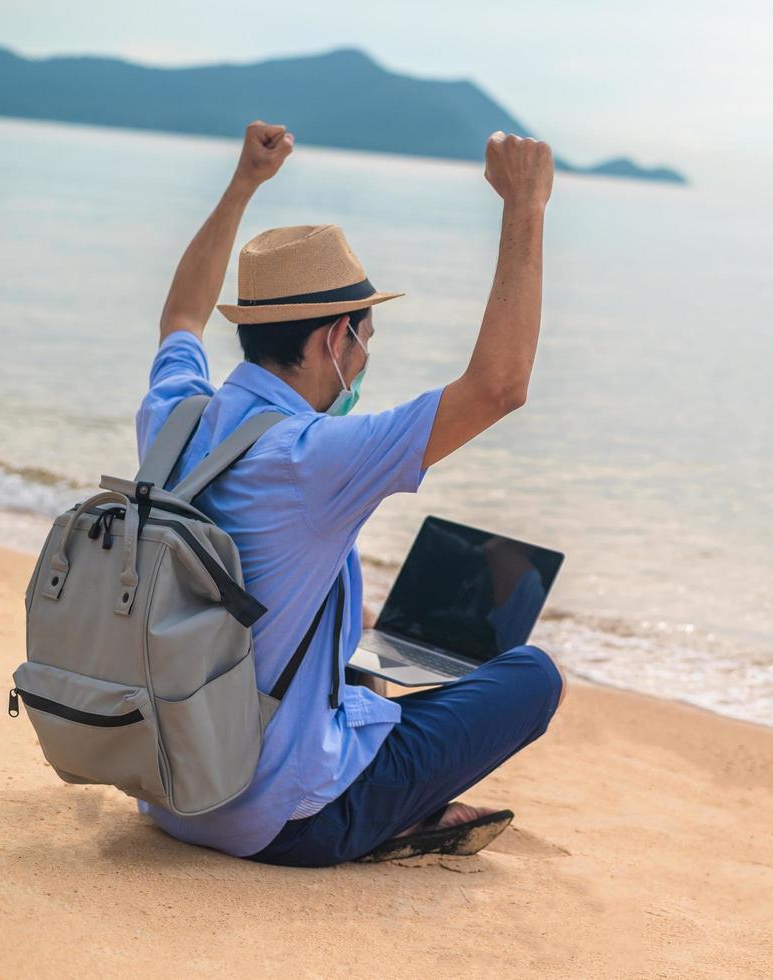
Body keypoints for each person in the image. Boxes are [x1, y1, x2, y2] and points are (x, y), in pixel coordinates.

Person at [133, 119, 564, 867]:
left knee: (352, 642)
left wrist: (242, 184)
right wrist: (524, 206)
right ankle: (396, 814)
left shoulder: (175, 414)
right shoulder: (312, 453)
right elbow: (498, 387)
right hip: (280, 821)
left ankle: (397, 785)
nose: (366, 355)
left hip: (167, 786)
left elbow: (181, 315)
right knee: (533, 677)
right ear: (337, 339)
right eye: (366, 336)